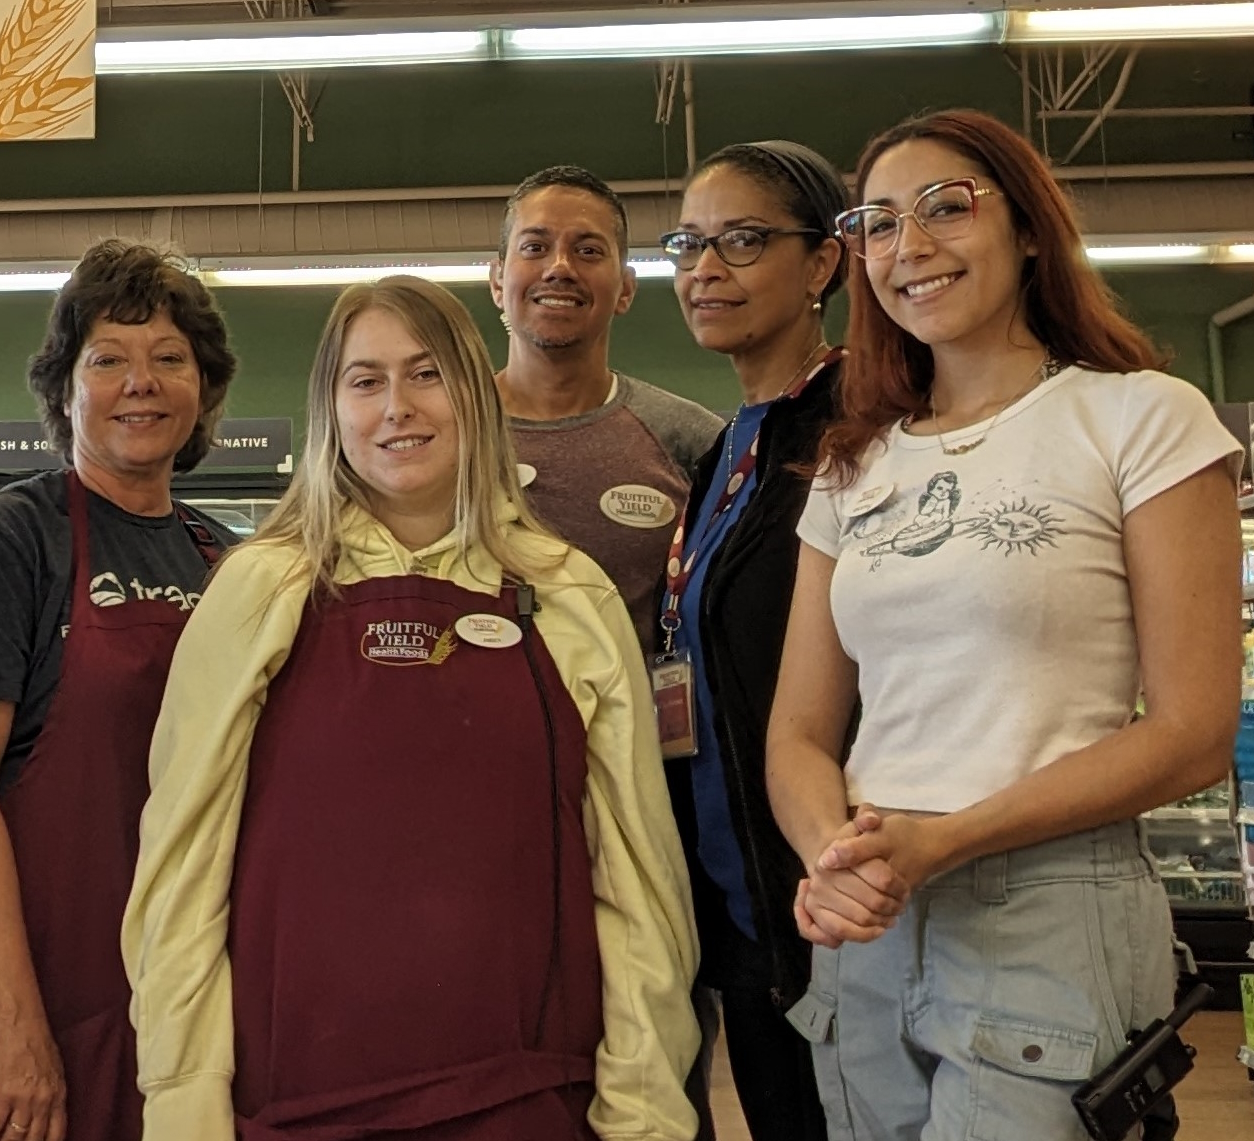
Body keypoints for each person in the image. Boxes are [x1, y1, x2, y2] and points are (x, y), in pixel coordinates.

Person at [122, 275, 700, 1141]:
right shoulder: (261, 587)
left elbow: (639, 884)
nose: (398, 407)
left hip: (531, 1094)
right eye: (366, 380)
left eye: (426, 374)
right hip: (296, 1097)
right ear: (333, 408)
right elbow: (181, 873)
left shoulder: (567, 593)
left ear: (474, 391)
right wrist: (184, 1104)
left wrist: (645, 1109)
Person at [766, 108, 1242, 1141]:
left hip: (1051, 901)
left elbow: (1193, 730)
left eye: (947, 207)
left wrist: (947, 840)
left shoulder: (1140, 418)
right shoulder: (854, 467)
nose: (911, 247)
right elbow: (799, 731)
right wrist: (830, 859)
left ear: (1028, 228)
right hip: (872, 906)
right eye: (880, 223)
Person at [0, 239, 237, 1141]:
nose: (142, 381)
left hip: (193, 1014)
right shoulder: (22, 538)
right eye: (109, 359)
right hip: (54, 1008)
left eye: (169, 358)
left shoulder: (232, 561)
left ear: (204, 390)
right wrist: (14, 1030)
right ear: (66, 389)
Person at [654, 140, 846, 1141]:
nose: (704, 269)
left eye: (742, 240)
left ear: (822, 265)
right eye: (689, 242)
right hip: (745, 919)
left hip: (838, 907)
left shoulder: (859, 429)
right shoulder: (729, 445)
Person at [490, 164, 723, 655]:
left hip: (636, 731)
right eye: (534, 247)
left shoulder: (694, 441)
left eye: (588, 250)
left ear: (626, 289)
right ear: (496, 280)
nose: (560, 267)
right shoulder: (440, 431)